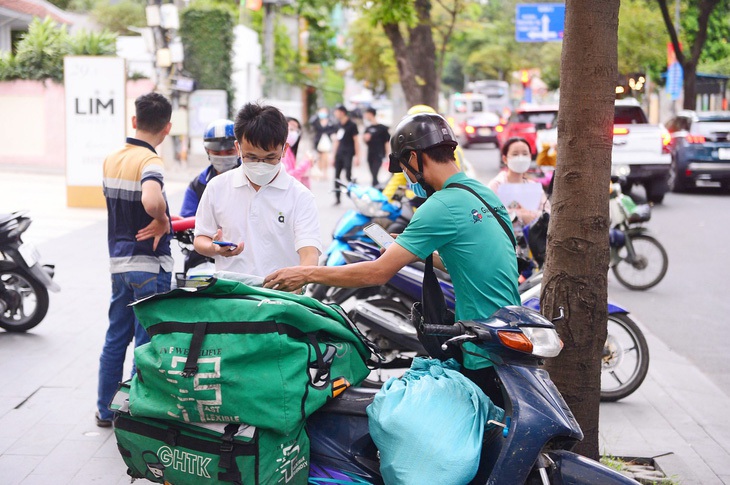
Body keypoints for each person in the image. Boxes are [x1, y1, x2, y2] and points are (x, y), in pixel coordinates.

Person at [264, 112, 520, 323]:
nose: (407, 178)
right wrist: (419, 252)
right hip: (510, 325)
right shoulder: (483, 192)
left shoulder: (440, 204)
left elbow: (375, 274)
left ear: (413, 158)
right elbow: (474, 260)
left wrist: (306, 273)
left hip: (482, 339)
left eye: (404, 169)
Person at [97, 92, 173, 427]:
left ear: (134, 121)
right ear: (167, 129)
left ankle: (104, 409)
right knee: (146, 345)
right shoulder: (150, 162)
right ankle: (131, 412)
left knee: (116, 338)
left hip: (119, 264)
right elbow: (151, 198)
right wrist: (162, 219)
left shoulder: (112, 157)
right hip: (148, 265)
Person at [193, 102, 322, 287]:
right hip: (232, 296)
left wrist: (300, 279)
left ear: (284, 149)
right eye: (252, 157)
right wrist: (214, 248)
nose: (261, 164)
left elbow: (309, 254)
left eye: (270, 157)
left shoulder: (300, 197)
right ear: (238, 148)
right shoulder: (217, 187)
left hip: (280, 298)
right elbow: (200, 239)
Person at [382, 104, 469, 202]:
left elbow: (398, 180)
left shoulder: (415, 154)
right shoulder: (452, 148)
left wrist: (384, 200)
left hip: (426, 199)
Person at [180, 119, 239, 218]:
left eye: (229, 152)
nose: (222, 157)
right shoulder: (198, 184)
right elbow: (186, 218)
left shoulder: (250, 177)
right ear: (208, 151)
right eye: (216, 153)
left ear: (238, 149)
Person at [487, 137, 551, 228]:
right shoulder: (497, 185)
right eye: (515, 154)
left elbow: (547, 212)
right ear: (505, 159)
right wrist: (521, 215)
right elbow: (490, 213)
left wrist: (530, 215)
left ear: (529, 157)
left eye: (525, 154)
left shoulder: (534, 187)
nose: (520, 158)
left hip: (532, 239)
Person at [332, 105, 361, 204]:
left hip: (348, 153)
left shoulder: (352, 125)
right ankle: (337, 198)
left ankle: (358, 194)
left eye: (337, 112)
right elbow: (336, 141)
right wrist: (333, 155)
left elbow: (356, 141)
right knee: (336, 176)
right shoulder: (338, 125)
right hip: (339, 153)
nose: (335, 114)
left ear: (342, 112)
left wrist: (357, 156)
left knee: (348, 175)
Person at [282, 116, 312, 188]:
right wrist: (307, 163)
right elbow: (289, 175)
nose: (293, 133)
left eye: (296, 130)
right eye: (291, 129)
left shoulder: (289, 150)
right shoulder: (282, 150)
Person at [362, 107, 390, 186]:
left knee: (375, 173)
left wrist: (387, 155)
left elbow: (386, 142)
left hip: (379, 153)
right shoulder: (368, 128)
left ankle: (375, 186)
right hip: (370, 153)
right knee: (372, 174)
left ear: (371, 114)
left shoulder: (382, 128)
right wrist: (365, 139)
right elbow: (364, 141)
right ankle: (376, 185)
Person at [311, 107, 335, 180]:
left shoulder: (330, 121)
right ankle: (320, 172)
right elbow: (312, 125)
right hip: (318, 141)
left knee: (325, 157)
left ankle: (325, 172)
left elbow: (333, 130)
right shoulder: (316, 121)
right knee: (319, 157)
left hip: (326, 141)